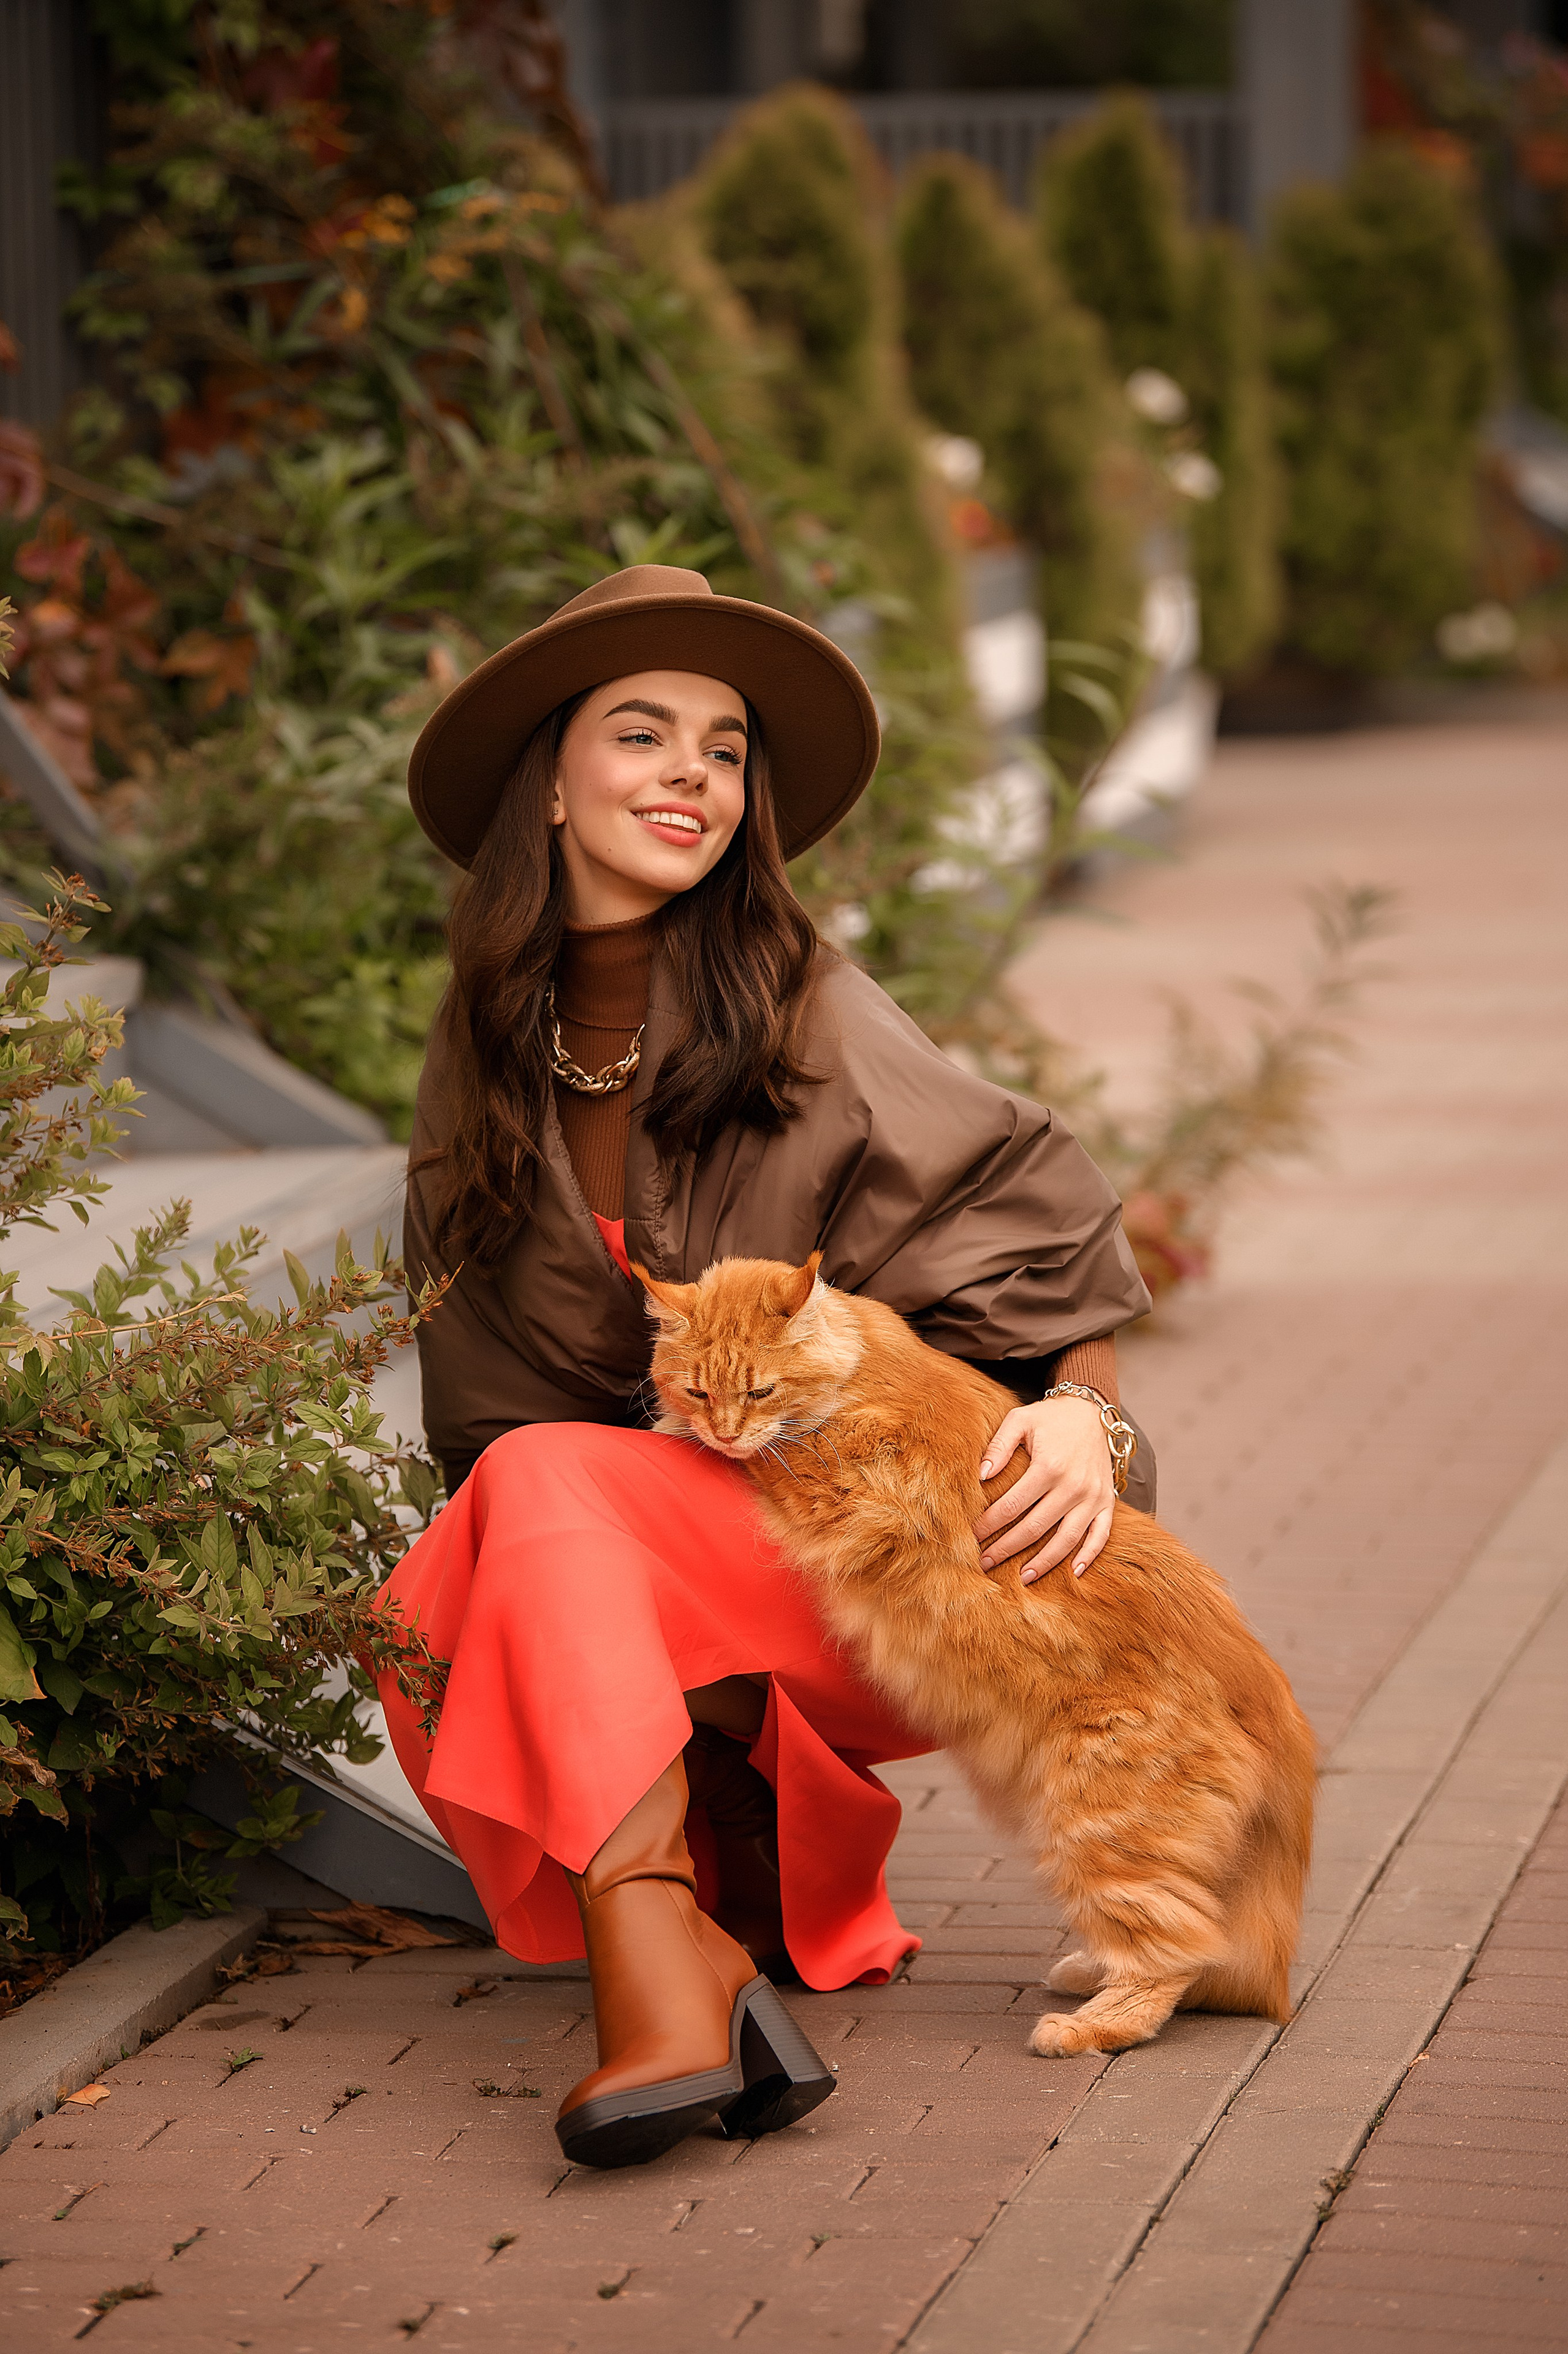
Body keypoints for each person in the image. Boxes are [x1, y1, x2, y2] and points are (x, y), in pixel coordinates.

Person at [375, 564, 1154, 2169]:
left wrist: (1085, 1420)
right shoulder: (485, 1052)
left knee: (521, 1508)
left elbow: (1039, 1208)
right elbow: (490, 1423)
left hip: (891, 1576)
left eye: (724, 750)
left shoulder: (801, 1006)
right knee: (445, 1582)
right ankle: (682, 1945)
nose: (692, 776)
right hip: (656, 1597)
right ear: (549, 790)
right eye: (643, 735)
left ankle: (667, 1959)